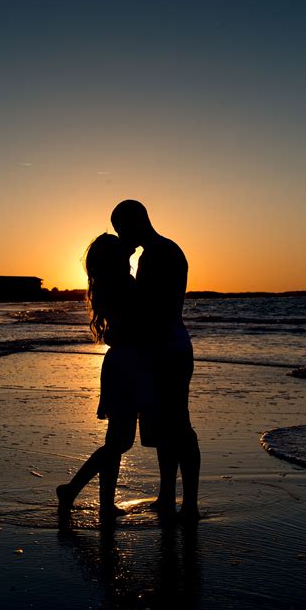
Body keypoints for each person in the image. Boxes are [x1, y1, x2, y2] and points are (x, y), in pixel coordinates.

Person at [111, 199, 201, 520]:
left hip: (169, 350)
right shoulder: (157, 252)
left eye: (122, 229)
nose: (121, 236)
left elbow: (149, 307)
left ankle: (189, 502)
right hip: (163, 348)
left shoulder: (160, 254)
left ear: (137, 222)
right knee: (167, 427)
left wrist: (124, 272)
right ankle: (167, 495)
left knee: (179, 426)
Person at [56, 233, 142, 522]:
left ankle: (103, 502)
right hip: (126, 366)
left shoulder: (108, 283)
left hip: (120, 364)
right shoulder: (123, 284)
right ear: (115, 259)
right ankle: (71, 489)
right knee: (120, 442)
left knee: (115, 441)